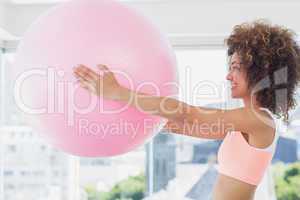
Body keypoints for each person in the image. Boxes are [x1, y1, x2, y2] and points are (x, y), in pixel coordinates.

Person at [73, 20, 300, 200]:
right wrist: (135, 116)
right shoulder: (244, 123)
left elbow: (188, 113)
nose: (228, 76)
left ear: (260, 72)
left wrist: (117, 92)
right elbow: (182, 124)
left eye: (236, 68)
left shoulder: (258, 119)